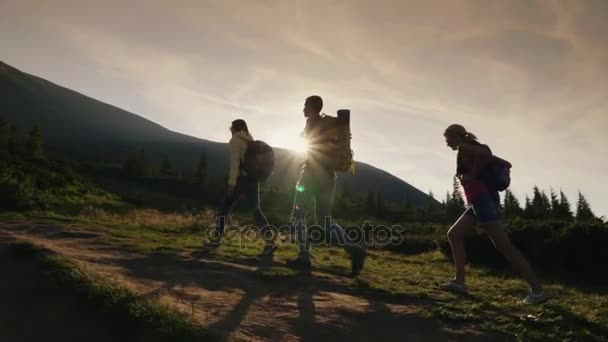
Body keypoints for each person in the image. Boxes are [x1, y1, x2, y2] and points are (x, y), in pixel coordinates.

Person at [441, 124, 546, 304]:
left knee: (505, 247)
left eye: (447, 139)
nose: (446, 144)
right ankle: (459, 282)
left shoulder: (465, 147)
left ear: (454, 137)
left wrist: (473, 174)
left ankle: (537, 291)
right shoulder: (472, 148)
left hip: (483, 201)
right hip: (478, 202)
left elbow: (485, 157)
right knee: (454, 234)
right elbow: (506, 163)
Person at [286, 95, 367, 276]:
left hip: (312, 174)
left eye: (305, 106)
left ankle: (304, 257)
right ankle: (354, 249)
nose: (303, 109)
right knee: (325, 220)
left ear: (313, 107)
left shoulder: (312, 123)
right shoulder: (328, 125)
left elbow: (312, 149)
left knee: (298, 214)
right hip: (328, 176)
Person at [204, 119, 276, 255]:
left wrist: (231, 184)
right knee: (256, 210)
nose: (230, 129)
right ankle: (269, 240)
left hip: (241, 180)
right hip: (253, 180)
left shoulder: (235, 141)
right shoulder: (250, 140)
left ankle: (215, 240)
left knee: (224, 210)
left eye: (231, 127)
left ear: (234, 128)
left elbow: (235, 164)